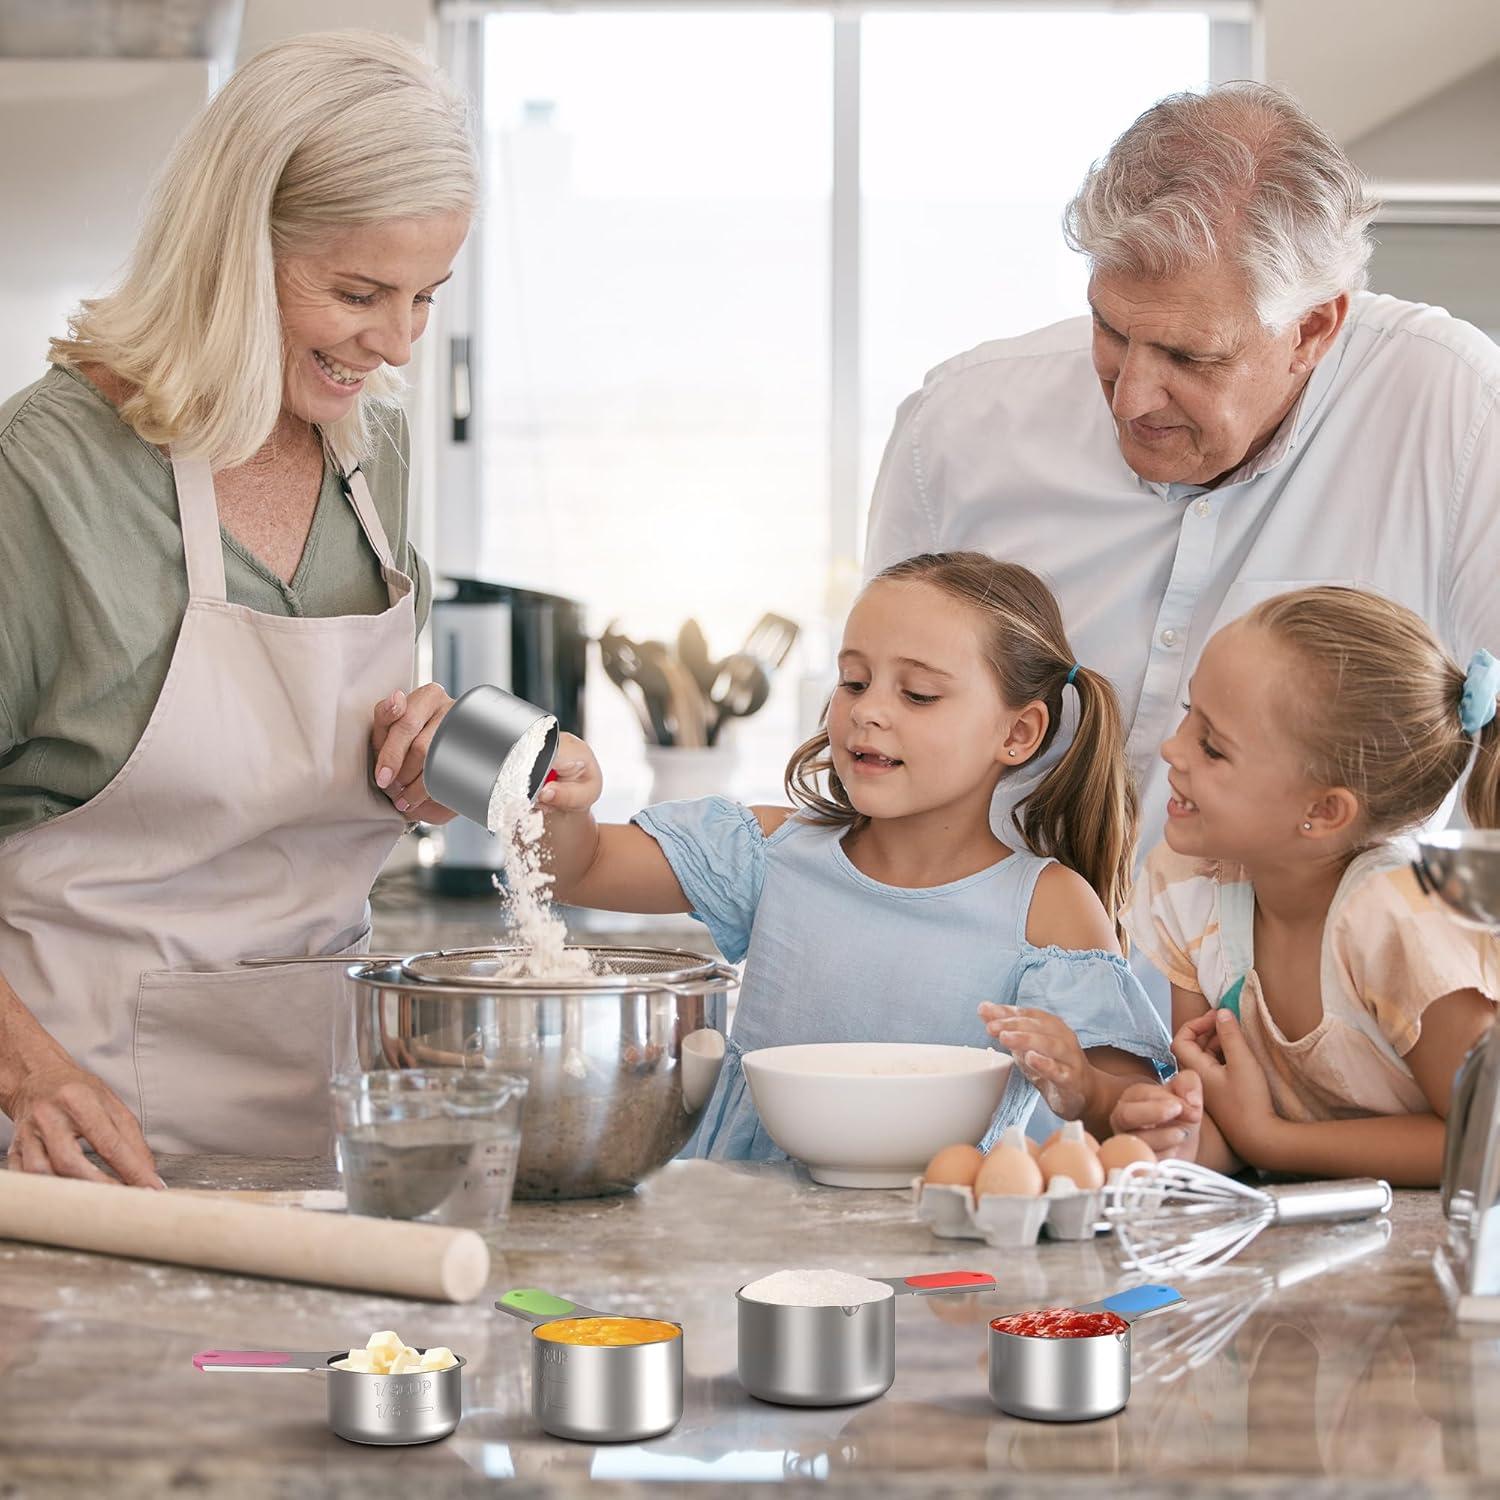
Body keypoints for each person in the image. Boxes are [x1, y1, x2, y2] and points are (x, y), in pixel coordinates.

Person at [864, 83, 1500, 949]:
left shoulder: (1455, 410)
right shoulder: (958, 426)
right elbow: (879, 727)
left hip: (1312, 1021)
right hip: (982, 990)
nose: (1131, 397)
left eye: (1188, 356)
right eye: (1111, 330)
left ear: (1314, 329)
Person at [0, 31, 475, 1183]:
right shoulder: (44, 477)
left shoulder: (376, 449)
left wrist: (425, 765)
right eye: (357, 292)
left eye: (425, 297)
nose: (398, 342)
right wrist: (27, 1072)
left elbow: (320, 777)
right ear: (227, 248)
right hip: (84, 1141)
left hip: (332, 1128)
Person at [538, 552, 1173, 1158]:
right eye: (854, 681)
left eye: (919, 694)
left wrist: (1086, 1090)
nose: (867, 710)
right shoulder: (771, 853)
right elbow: (580, 867)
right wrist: (567, 800)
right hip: (737, 1226)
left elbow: (1137, 1112)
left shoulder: (1046, 908)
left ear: (1017, 733)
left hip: (929, 1249)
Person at [1106, 588, 1500, 1186]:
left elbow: (1487, 1145)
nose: (1172, 749)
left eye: (1213, 747)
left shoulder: (1399, 919)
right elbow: (1230, 1126)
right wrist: (1182, 1133)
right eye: (1190, 712)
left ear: (1324, 810)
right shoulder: (1188, 886)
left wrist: (1275, 1141)